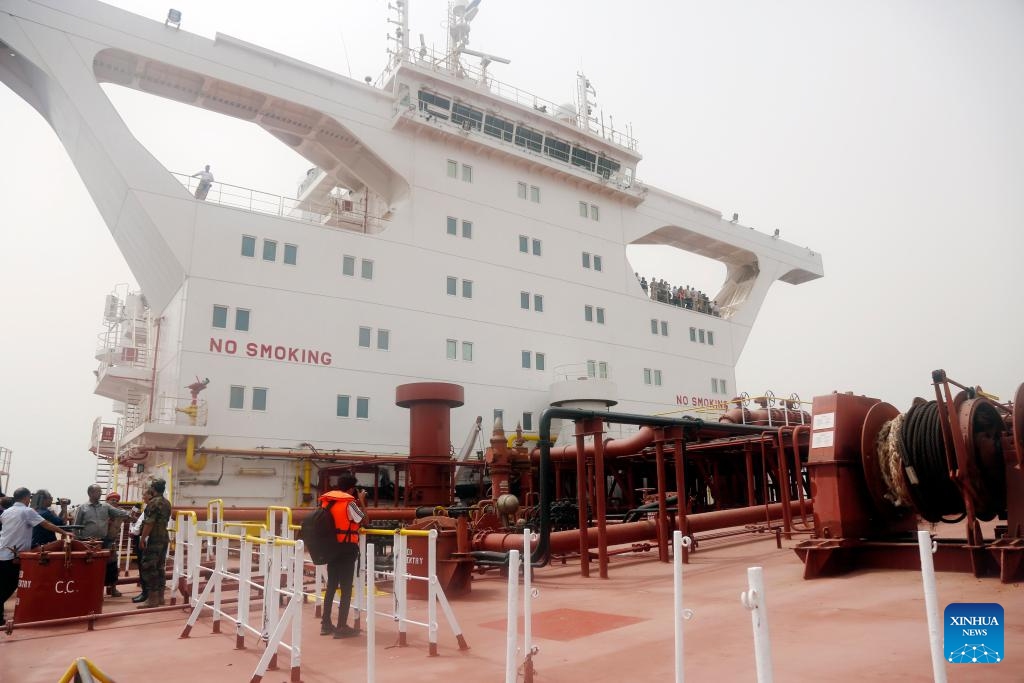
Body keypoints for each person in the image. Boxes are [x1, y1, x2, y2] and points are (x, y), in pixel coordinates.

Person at [1, 487, 74, 625]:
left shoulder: (7, 512)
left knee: (3, 585)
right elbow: (46, 524)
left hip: (3, 553)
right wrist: (64, 533)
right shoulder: (27, 511)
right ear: (26, 498)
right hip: (14, 555)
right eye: (29, 498)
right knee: (9, 586)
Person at [319, 473, 366, 638]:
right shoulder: (350, 503)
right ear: (352, 489)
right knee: (346, 588)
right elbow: (363, 521)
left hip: (331, 547)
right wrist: (362, 500)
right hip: (347, 548)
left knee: (331, 585)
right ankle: (341, 627)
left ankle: (325, 624)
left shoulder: (327, 502)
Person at [74, 484, 130, 597]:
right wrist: (79, 541)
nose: (100, 493)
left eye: (100, 491)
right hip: (87, 542)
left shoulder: (105, 507)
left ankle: (112, 587)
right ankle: (88, 589)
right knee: (89, 565)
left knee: (112, 563)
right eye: (98, 491)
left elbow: (119, 513)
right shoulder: (82, 508)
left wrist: (131, 513)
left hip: (105, 541)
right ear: (90, 493)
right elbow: (76, 526)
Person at [136, 479, 171, 608]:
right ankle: (161, 597)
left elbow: (149, 523)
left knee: (149, 567)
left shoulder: (153, 503)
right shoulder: (167, 503)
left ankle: (152, 599)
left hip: (154, 538)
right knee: (160, 567)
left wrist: (142, 538)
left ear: (153, 489)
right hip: (164, 537)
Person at [129, 488, 153, 604]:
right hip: (139, 538)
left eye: (144, 495)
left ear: (150, 495)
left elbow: (147, 525)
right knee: (142, 567)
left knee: (144, 567)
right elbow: (141, 523)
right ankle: (146, 592)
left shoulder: (150, 508)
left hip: (144, 541)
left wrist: (138, 535)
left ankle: (146, 593)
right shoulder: (146, 508)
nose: (142, 498)